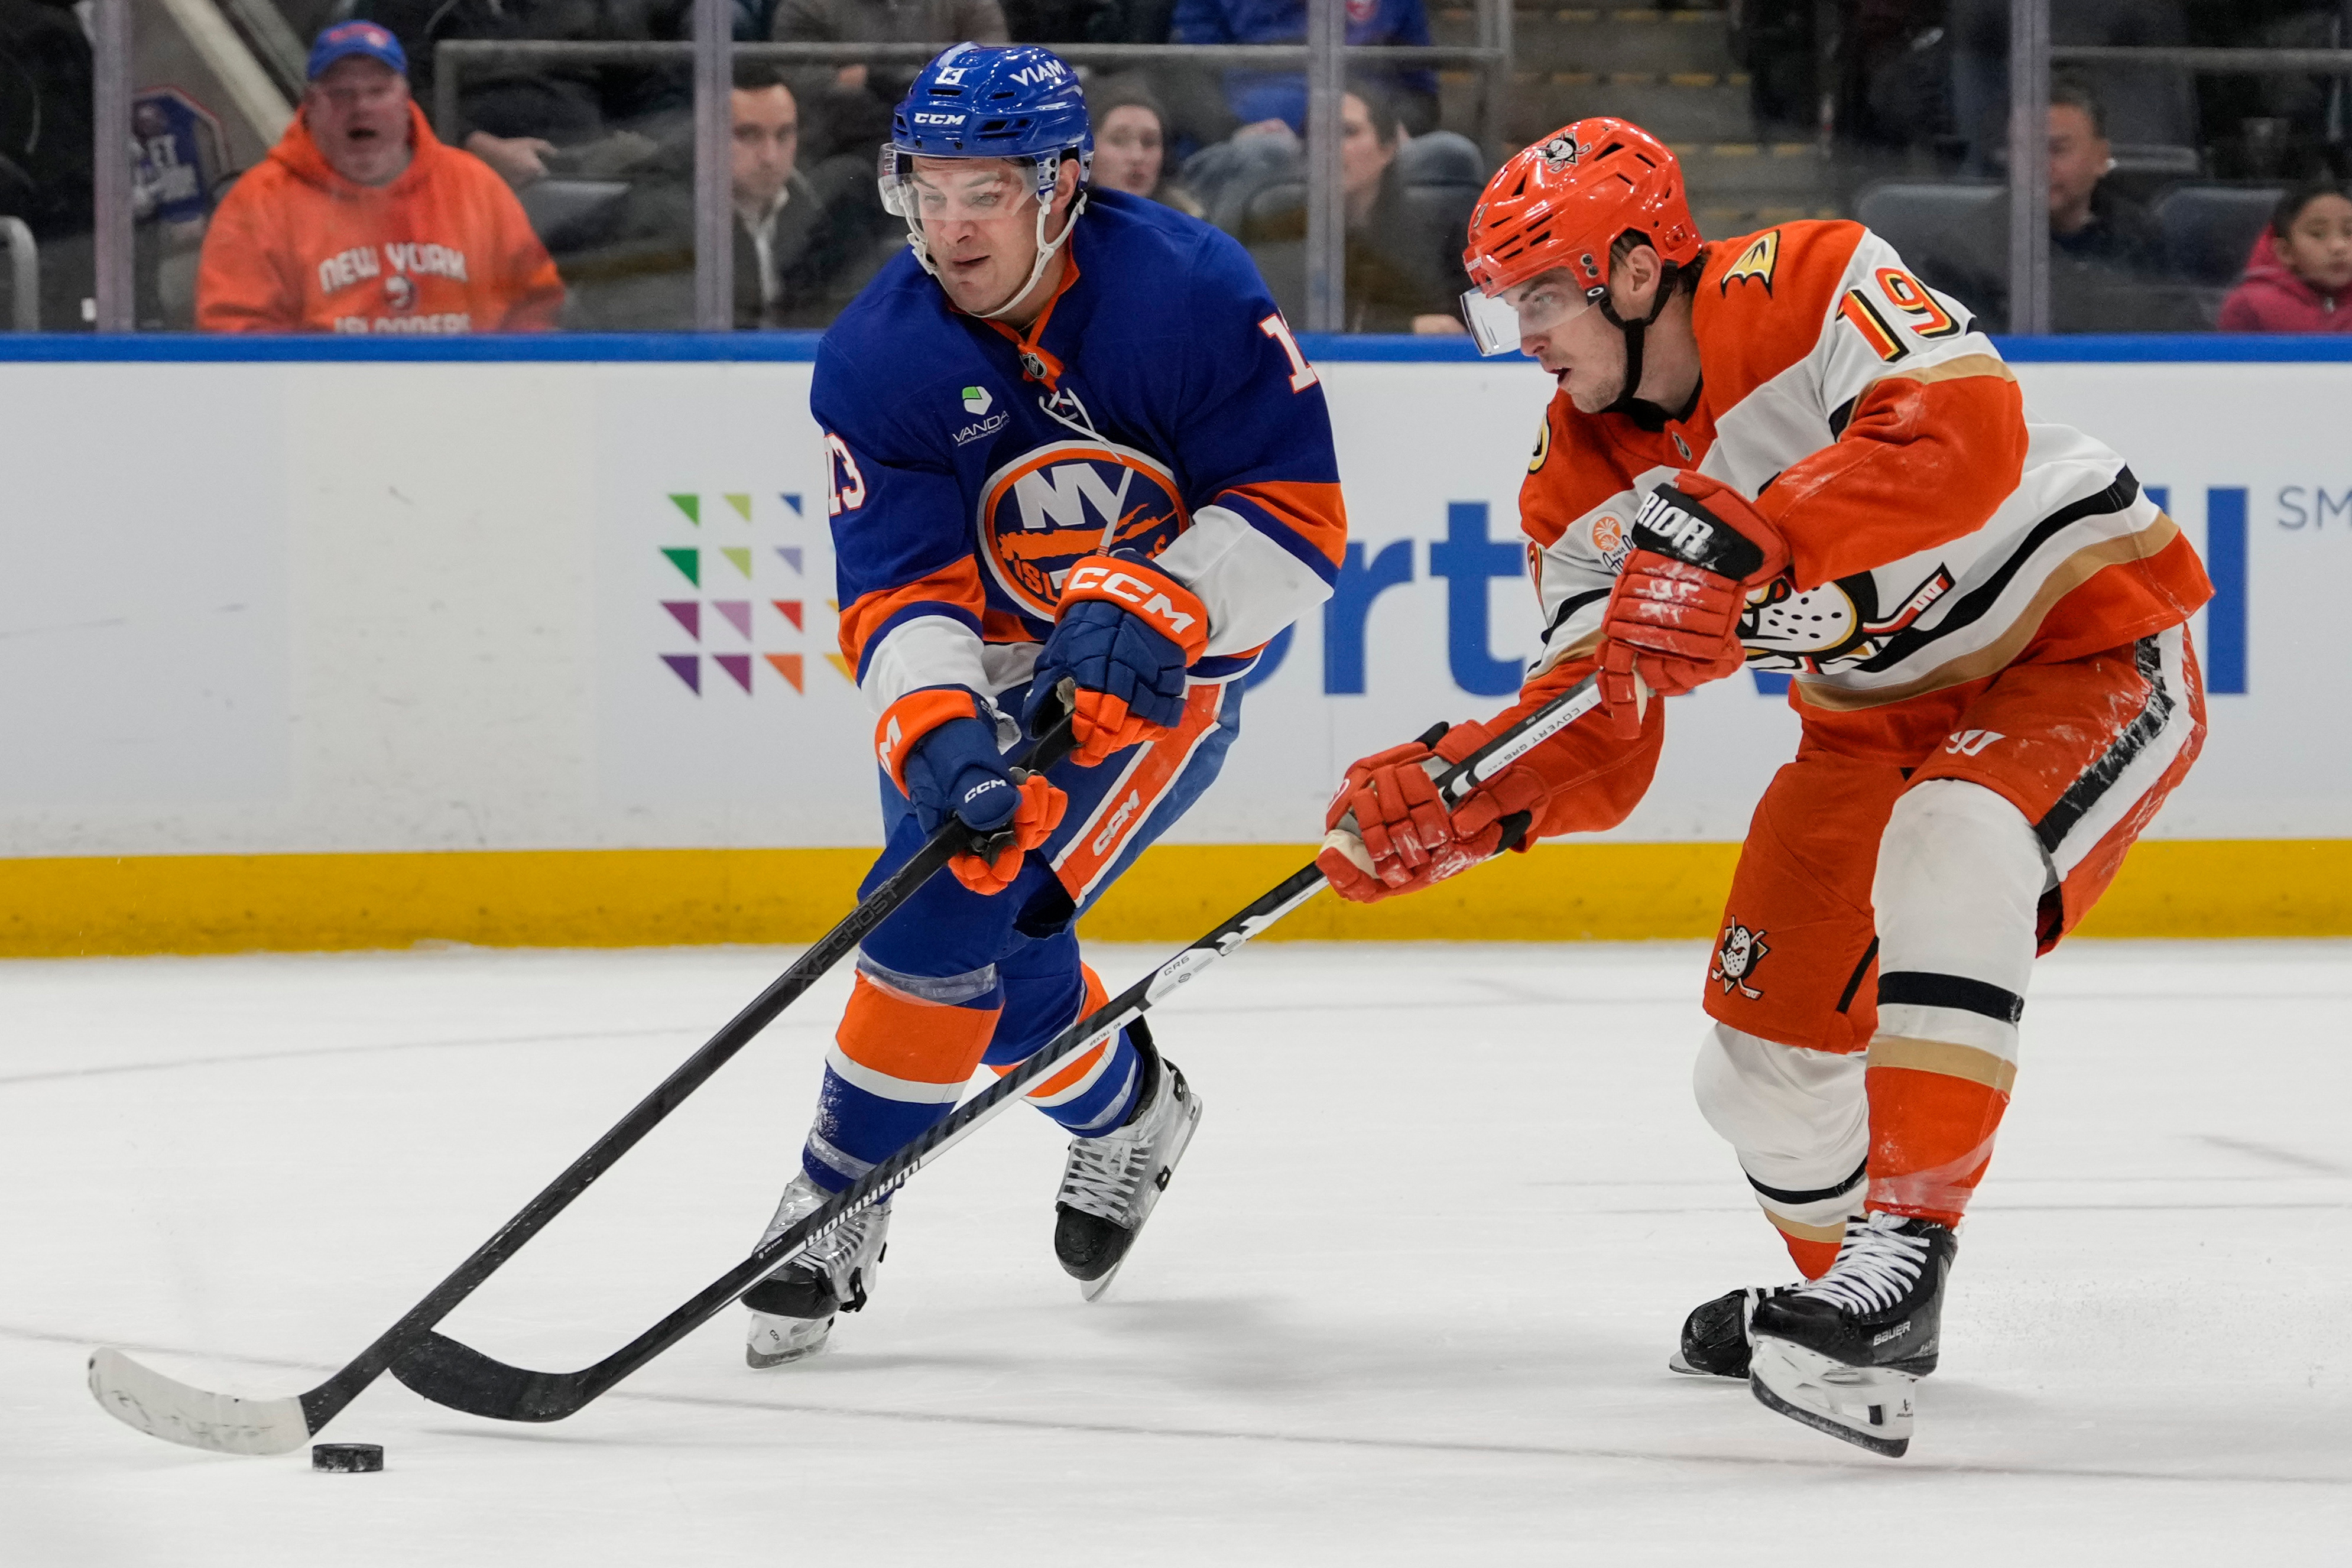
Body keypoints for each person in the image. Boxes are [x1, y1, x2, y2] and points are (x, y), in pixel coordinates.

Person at [1319, 121, 2210, 1456]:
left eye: (1542, 300)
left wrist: (1766, 532)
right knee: (1756, 1074)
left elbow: (1966, 432)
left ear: (1631, 271)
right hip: (1867, 717)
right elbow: (1600, 726)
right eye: (1509, 313)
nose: (1528, 342)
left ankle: (1904, 1259)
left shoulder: (1811, 276)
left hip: (2076, 636)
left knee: (1951, 839)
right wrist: (1468, 793)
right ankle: (1843, 1295)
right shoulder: (1573, 488)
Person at [742, 42, 1347, 1368]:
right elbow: (903, 595)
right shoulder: (875, 357)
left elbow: (1298, 523)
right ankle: (1129, 1108)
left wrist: (1159, 603)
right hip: (1000, 673)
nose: (949, 228)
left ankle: (838, 1191)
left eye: (985, 194)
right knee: (992, 954)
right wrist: (947, 730)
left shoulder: (1188, 293)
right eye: (930, 191)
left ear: (1062, 184)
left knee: (945, 904)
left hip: (1159, 680)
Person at [196, 22, 564, 334]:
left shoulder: (475, 186)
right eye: (342, 94)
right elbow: (237, 338)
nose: (361, 107)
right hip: (325, 407)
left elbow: (536, 306)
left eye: (378, 91)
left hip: (463, 404)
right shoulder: (258, 202)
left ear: (405, 99)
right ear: (310, 104)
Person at [559, 63, 875, 329]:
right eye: (748, 135)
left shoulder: (816, 215)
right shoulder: (655, 218)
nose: (770, 156)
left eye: (784, 135)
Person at [360, 0, 693, 190]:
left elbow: (646, 85)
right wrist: (474, 146)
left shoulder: (594, 7)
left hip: (592, 168)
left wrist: (662, 141)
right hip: (457, 175)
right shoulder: (411, 6)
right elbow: (391, 91)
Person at [1237, 80, 1469, 335]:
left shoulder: (1439, 231)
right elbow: (1281, 322)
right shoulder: (1278, 228)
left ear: (1389, 148)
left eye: (1347, 132)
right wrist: (1405, 327)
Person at [1172, 0, 1436, 140]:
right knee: (1263, 156)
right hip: (1258, 150)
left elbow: (1422, 93)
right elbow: (1189, 75)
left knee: (1451, 154)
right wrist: (1232, 133)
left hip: (1370, 150)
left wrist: (1395, 130)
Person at [2218, 180, 2352, 332]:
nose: (2339, 246)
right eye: (2318, 234)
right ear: (2285, 252)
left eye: (2349, 232)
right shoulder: (2253, 304)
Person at [1086, 77, 1203, 217]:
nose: (1137, 157)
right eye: (1119, 141)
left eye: (1149, 142)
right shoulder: (1060, 227)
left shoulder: (1190, 227)